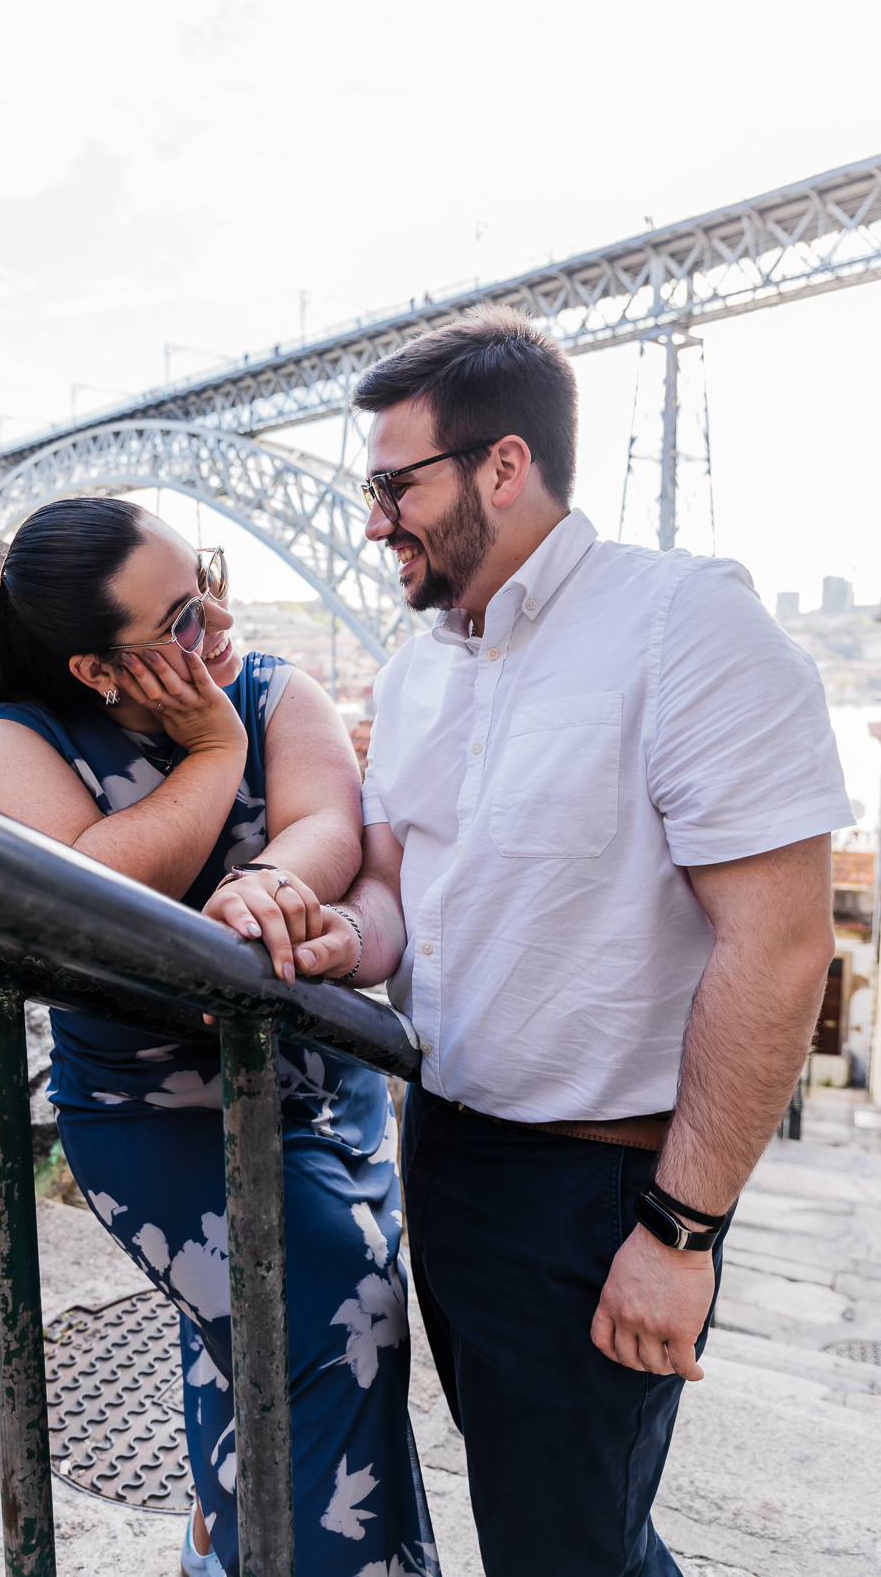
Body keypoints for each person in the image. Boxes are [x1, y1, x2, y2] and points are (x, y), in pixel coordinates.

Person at [291, 306, 852, 1576]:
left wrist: (681, 1235)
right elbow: (397, 894)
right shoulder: (421, 667)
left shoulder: (686, 626)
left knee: (565, 1547)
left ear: (504, 465)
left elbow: (777, 946)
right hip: (447, 1154)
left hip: (601, 1191)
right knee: (549, 1521)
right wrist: (333, 936)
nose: (374, 520)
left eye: (394, 486)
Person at [0, 497, 437, 1577]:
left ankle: (224, 1552)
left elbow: (327, 821)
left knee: (249, 1348)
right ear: (97, 670)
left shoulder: (278, 687)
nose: (215, 618)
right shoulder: (15, 747)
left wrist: (266, 882)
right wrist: (215, 748)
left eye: (207, 580)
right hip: (157, 1116)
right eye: (179, 619)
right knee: (345, 1324)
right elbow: (96, 897)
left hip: (331, 1097)